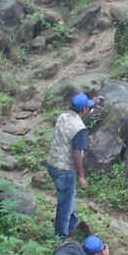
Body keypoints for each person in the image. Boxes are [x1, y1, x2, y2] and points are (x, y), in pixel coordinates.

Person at [46, 93, 101, 242]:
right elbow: (77, 153)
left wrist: (92, 105)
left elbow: (79, 112)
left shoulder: (63, 117)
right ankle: (59, 239)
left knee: (69, 198)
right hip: (65, 169)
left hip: (52, 163)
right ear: (84, 110)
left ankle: (72, 225)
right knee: (64, 206)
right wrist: (81, 176)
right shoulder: (79, 128)